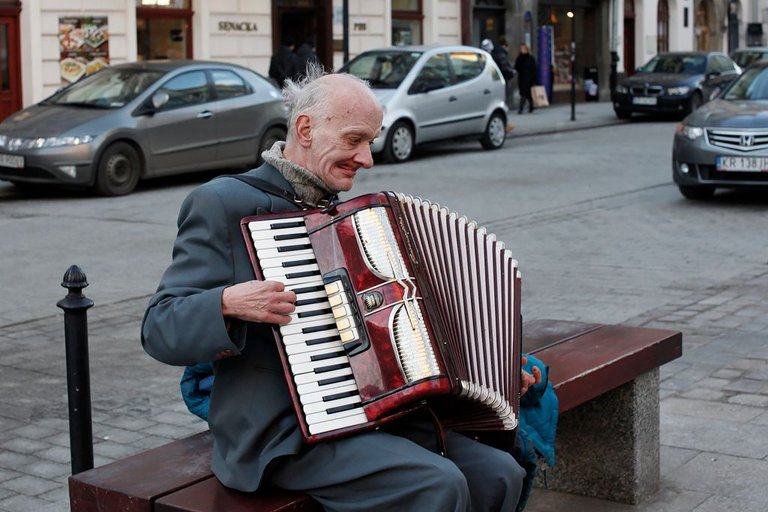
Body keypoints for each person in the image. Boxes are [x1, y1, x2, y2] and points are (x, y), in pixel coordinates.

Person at [142, 66, 541, 511]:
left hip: (374, 414)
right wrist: (226, 303)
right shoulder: (223, 203)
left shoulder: (354, 219)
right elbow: (160, 327)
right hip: (281, 433)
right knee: (437, 484)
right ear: (306, 128)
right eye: (355, 140)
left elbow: (413, 318)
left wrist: (499, 369)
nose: (367, 158)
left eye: (370, 141)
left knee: (500, 474)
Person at [489, 36, 516, 108]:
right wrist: (511, 72)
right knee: (504, 93)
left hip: (496, 76)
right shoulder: (501, 54)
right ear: (505, 46)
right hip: (502, 77)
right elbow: (504, 66)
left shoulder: (495, 52)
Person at [514, 43, 538, 114]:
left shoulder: (531, 58)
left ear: (527, 49)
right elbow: (516, 67)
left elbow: (534, 69)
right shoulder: (519, 58)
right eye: (521, 49)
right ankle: (530, 107)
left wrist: (534, 80)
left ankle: (522, 108)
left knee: (527, 94)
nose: (522, 50)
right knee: (524, 94)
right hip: (522, 78)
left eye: (524, 49)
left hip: (529, 79)